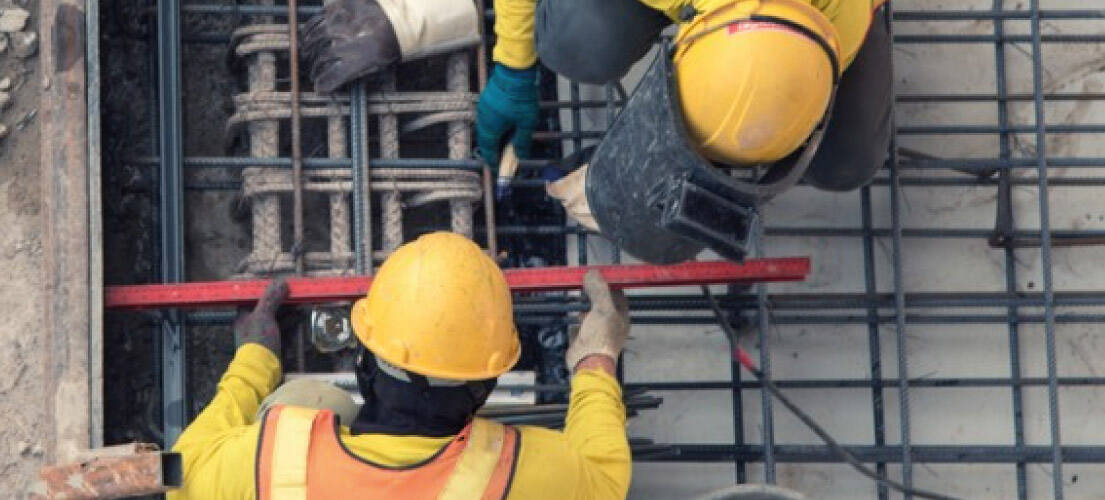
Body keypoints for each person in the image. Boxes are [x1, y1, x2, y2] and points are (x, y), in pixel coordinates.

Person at [170, 232, 633, 499]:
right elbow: (605, 480)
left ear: (362, 364)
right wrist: (596, 356)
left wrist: (254, 359)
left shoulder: (271, 458)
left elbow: (182, 470)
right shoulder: (524, 470)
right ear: (487, 387)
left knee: (310, 400)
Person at [476, 0, 894, 262]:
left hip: (829, 21)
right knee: (578, 40)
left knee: (847, 160)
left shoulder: (845, 27)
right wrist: (514, 64)